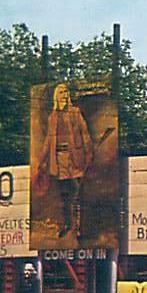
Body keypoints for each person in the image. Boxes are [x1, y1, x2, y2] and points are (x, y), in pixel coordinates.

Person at [35, 83, 94, 239]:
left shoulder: (75, 112)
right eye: (61, 92)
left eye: (65, 92)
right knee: (64, 196)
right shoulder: (53, 117)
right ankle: (67, 224)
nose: (64, 95)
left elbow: (85, 134)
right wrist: (42, 160)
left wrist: (89, 154)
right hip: (59, 161)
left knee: (77, 193)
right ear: (56, 96)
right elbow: (48, 140)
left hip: (75, 158)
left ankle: (79, 228)